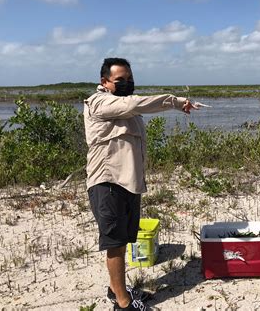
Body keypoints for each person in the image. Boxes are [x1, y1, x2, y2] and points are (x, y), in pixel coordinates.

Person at [84, 58, 197, 310]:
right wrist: (175, 102)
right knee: (113, 244)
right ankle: (123, 304)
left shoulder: (125, 107)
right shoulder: (99, 102)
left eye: (129, 79)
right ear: (104, 82)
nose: (126, 84)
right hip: (107, 181)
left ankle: (116, 290)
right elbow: (135, 103)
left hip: (128, 183)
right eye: (119, 80)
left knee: (123, 240)